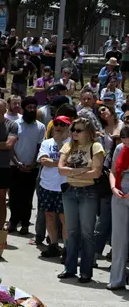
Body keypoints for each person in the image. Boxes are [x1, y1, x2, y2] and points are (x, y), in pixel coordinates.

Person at [57, 116, 104, 284]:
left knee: (87, 233)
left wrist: (72, 171)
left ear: (88, 131)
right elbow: (60, 170)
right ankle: (69, 268)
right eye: (73, 129)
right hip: (69, 191)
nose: (74, 133)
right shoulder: (68, 146)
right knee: (71, 232)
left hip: (88, 192)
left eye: (78, 130)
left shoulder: (96, 146)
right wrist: (83, 171)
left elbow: (96, 173)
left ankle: (86, 271)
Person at [9, 96, 46, 234]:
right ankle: (13, 221)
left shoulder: (40, 127)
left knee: (27, 197)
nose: (31, 110)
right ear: (23, 108)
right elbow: (10, 146)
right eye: (29, 107)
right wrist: (17, 162)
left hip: (32, 168)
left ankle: (25, 223)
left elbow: (40, 148)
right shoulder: (14, 124)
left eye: (33, 107)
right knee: (14, 196)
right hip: (15, 166)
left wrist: (33, 164)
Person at [37, 116, 71, 259]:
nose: (58, 127)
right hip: (47, 185)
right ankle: (53, 245)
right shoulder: (46, 142)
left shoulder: (72, 144)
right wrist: (60, 162)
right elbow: (43, 161)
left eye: (63, 124)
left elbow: (70, 162)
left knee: (65, 219)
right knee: (49, 216)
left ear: (68, 127)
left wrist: (59, 145)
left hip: (64, 186)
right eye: (56, 124)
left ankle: (68, 249)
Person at [0, 99, 19, 226]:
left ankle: (0, 229)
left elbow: (8, 145)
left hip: (2, 167)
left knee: (1, 200)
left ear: (4, 111)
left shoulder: (11, 125)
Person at [107, 125, 129, 289]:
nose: (127, 145)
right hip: (120, 194)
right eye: (124, 141)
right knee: (118, 238)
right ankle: (117, 279)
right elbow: (113, 171)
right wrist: (114, 188)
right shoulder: (120, 148)